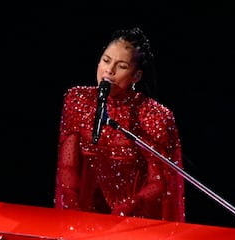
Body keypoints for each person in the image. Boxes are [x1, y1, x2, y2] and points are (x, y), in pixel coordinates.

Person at [54, 27, 185, 222]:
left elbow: (159, 182)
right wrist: (73, 212)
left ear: (136, 76)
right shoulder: (77, 100)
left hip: (134, 218)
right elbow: (67, 168)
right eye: (106, 60)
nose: (109, 70)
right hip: (85, 215)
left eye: (121, 66)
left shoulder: (155, 114)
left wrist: (127, 209)